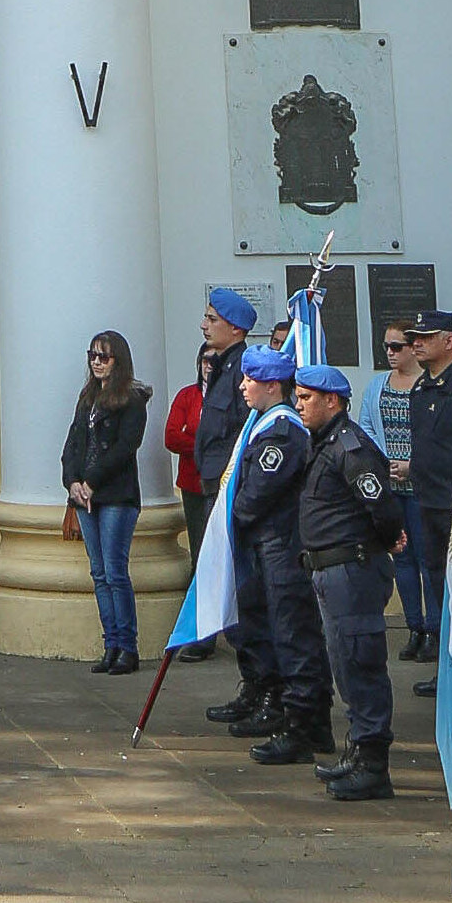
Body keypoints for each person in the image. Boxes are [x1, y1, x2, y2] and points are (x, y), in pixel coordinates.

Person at [290, 365, 406, 799]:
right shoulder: (321, 445)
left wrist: (383, 543)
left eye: (306, 397)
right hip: (328, 569)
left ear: (332, 401)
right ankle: (357, 750)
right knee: (344, 664)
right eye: (298, 396)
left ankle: (373, 763)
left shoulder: (350, 448)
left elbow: (384, 508)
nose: (298, 403)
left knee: (361, 663)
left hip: (351, 571)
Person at [232, 347, 333, 764]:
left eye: (250, 380)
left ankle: (304, 726)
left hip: (283, 548)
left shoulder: (282, 431)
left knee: (295, 637)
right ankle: (296, 717)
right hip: (269, 547)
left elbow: (256, 494)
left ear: (271, 385)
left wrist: (230, 514)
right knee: (278, 630)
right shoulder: (264, 424)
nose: (242, 386)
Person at [60, 331, 148, 675]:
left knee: (115, 572)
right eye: (93, 356)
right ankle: (110, 644)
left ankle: (128, 647)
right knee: (98, 574)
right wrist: (72, 483)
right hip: (84, 497)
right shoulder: (87, 398)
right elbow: (72, 444)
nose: (97, 362)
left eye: (104, 357)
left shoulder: (132, 399)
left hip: (116, 496)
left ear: (119, 361)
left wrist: (92, 482)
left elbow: (125, 448)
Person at [195, 289, 262, 700]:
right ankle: (251, 686)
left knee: (244, 595)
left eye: (211, 319)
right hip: (214, 489)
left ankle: (259, 689)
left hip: (230, 493)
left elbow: (241, 436)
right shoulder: (221, 367)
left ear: (235, 328)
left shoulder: (243, 370)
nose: (204, 325)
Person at [407, 309, 452, 698]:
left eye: (425, 336)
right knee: (438, 586)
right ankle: (448, 670)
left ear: (448, 340)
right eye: (414, 336)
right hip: (427, 503)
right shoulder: (421, 387)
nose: (416, 342)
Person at [366, 322, 437, 663]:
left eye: (397, 346)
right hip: (390, 486)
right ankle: (415, 627)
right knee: (403, 558)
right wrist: (382, 464)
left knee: (427, 559)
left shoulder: (427, 386)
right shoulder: (378, 386)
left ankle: (436, 630)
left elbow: (436, 436)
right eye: (387, 347)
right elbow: (366, 427)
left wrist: (414, 464)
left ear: (413, 348)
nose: (391, 353)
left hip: (421, 485)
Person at [163, 342, 215, 662]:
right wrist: (205, 445)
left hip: (223, 486)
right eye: (205, 360)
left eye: (215, 360)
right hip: (194, 487)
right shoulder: (187, 396)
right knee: (200, 557)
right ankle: (201, 634)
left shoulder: (234, 397)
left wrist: (195, 441)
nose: (209, 365)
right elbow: (172, 436)